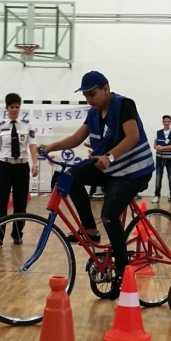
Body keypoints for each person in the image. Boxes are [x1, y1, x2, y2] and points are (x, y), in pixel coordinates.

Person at [43, 71, 154, 298]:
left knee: (109, 215)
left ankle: (123, 272)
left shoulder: (124, 105)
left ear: (106, 89)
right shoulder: (93, 113)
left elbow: (132, 136)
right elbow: (76, 138)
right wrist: (50, 147)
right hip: (110, 169)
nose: (89, 99)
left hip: (133, 172)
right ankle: (91, 231)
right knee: (70, 176)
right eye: (85, 95)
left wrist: (110, 157)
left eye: (92, 94)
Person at [0, 93, 39, 245]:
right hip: (4, 167)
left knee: (20, 203)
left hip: (21, 167)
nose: (15, 110)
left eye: (17, 107)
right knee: (2, 201)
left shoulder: (27, 125)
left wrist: (35, 164)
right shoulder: (1, 126)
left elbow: (32, 146)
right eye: (12, 107)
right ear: (6, 108)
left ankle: (17, 233)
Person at [152, 115, 171, 203]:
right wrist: (157, 147)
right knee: (158, 177)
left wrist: (162, 148)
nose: (166, 123)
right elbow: (154, 145)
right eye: (165, 121)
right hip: (160, 158)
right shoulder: (158, 132)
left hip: (170, 159)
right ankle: (157, 196)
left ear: (170, 122)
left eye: (168, 121)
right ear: (162, 122)